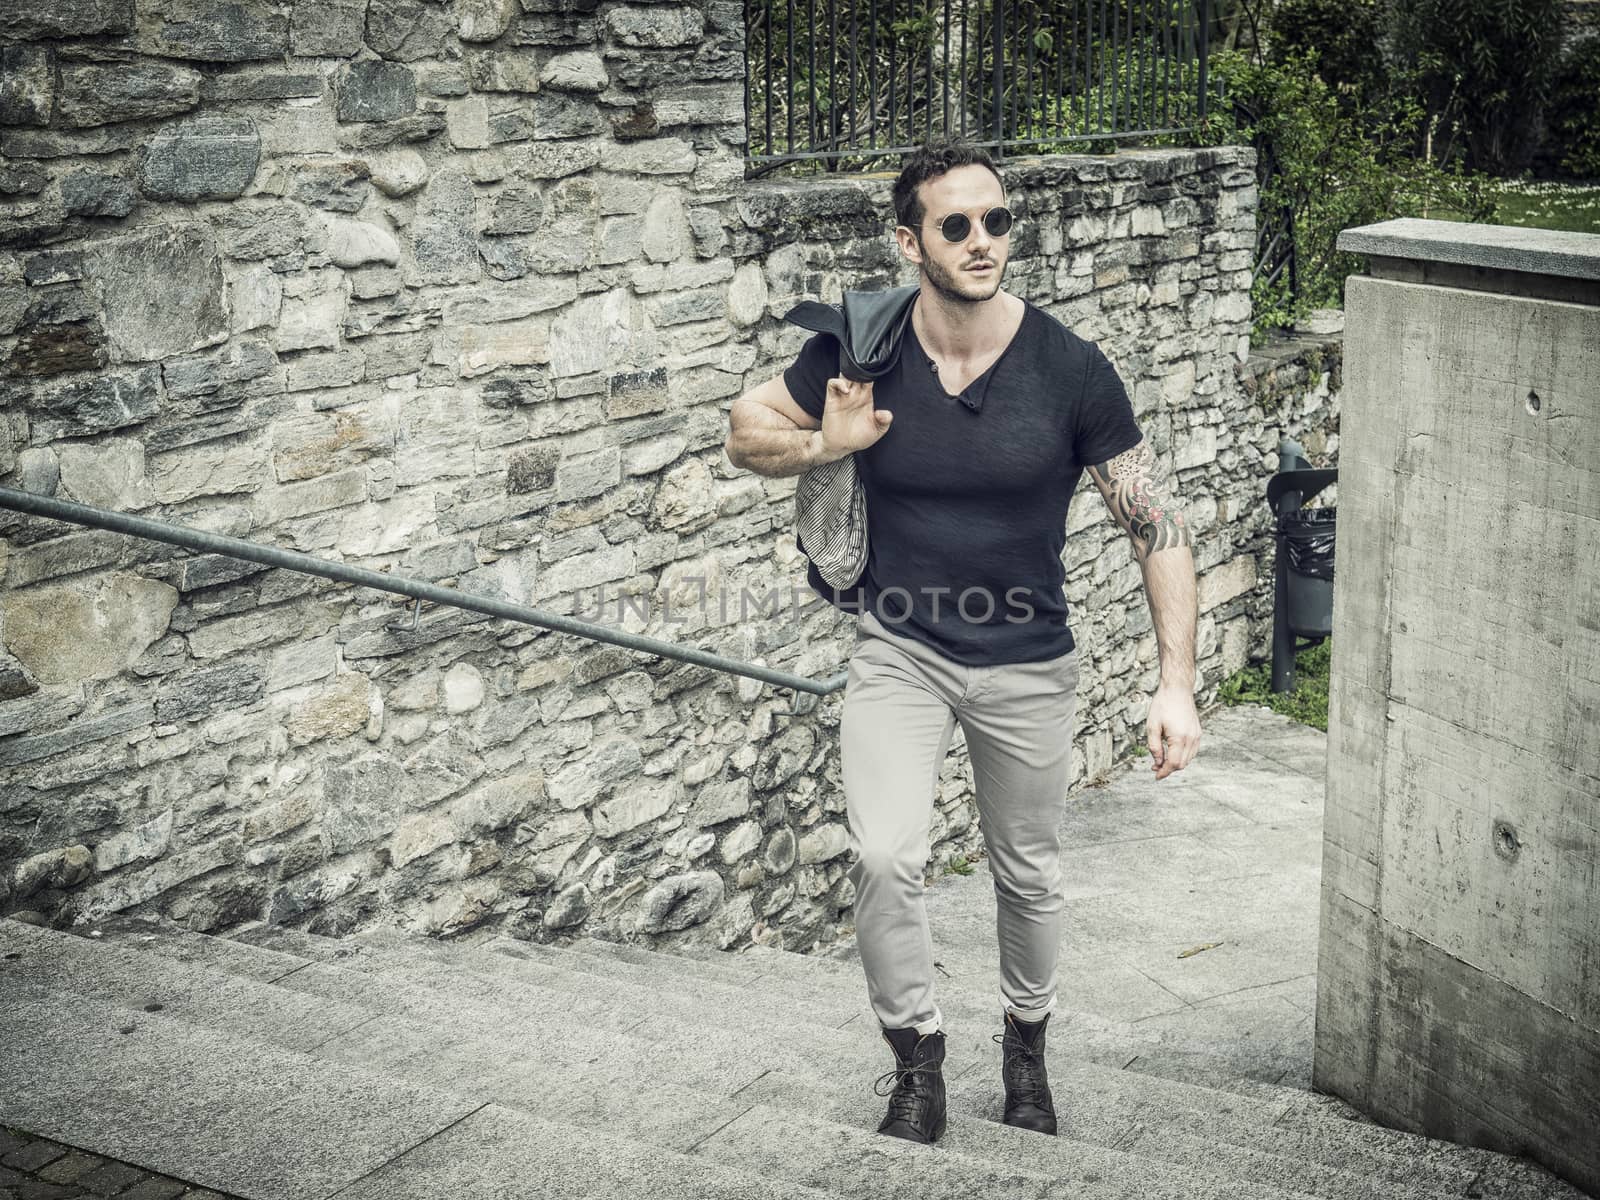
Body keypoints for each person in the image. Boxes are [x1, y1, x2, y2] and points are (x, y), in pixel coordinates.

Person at [723, 136, 1202, 1145]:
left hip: (1029, 660)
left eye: (997, 221)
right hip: (899, 649)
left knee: (1027, 874)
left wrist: (1176, 683)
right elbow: (743, 430)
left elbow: (1156, 525)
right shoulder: (862, 348)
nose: (983, 241)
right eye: (957, 225)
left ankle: (1025, 1050)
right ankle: (917, 1061)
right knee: (886, 855)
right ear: (911, 241)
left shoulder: (1071, 371)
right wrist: (827, 442)